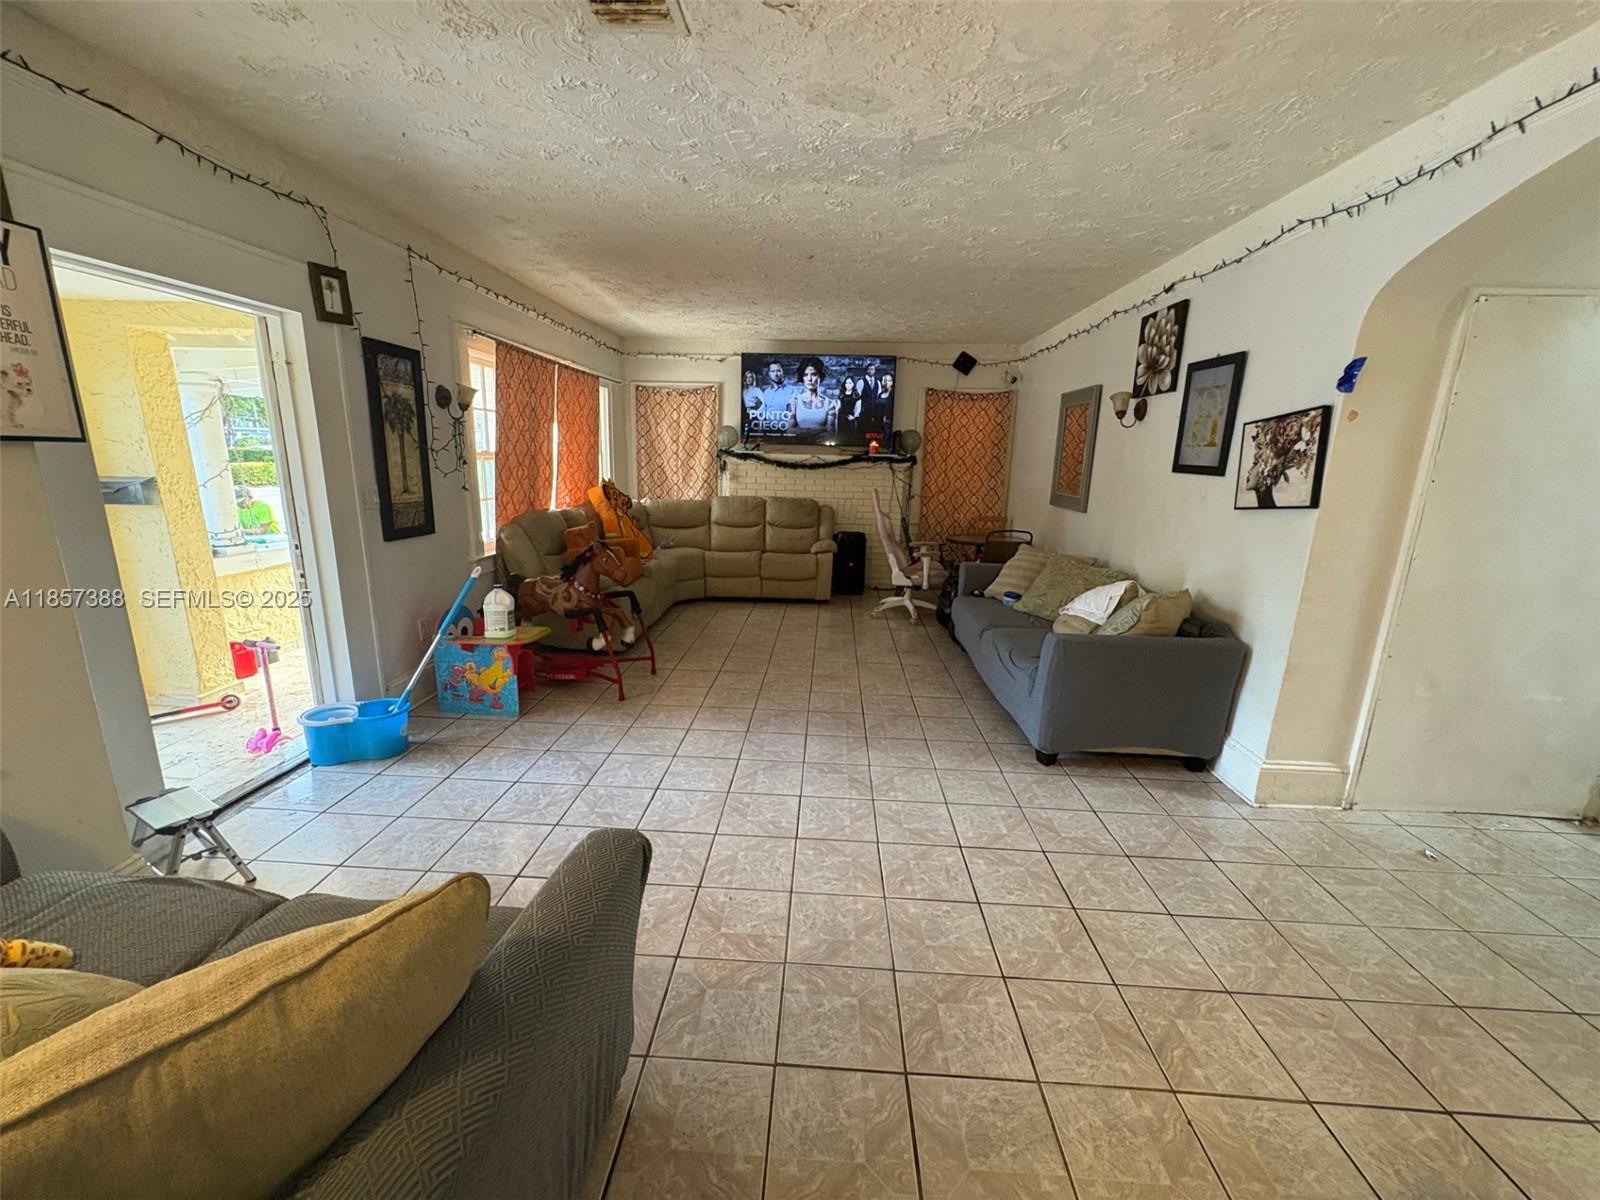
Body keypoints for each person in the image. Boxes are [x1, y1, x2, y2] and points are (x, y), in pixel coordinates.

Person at [789, 356, 831, 436]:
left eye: (814, 374)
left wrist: (803, 431)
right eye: (805, 375)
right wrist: (822, 428)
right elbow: (790, 430)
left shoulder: (829, 404)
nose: (809, 379)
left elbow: (831, 433)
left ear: (820, 376)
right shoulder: (795, 402)